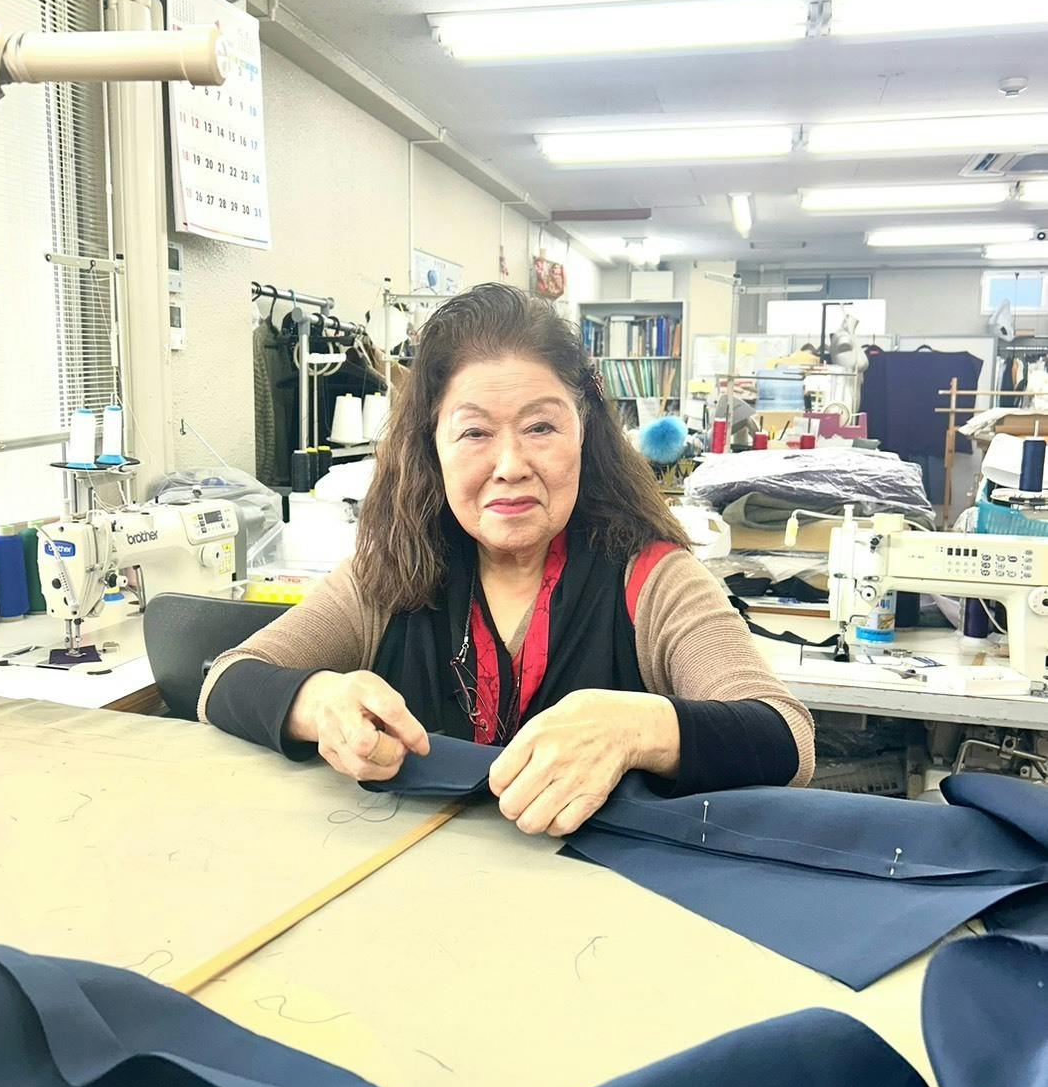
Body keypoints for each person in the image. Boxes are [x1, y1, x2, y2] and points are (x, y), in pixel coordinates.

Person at [201, 284, 814, 836]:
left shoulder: (651, 579)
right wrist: (318, 704)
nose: (511, 465)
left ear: (584, 431)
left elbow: (786, 736)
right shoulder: (388, 574)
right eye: (474, 433)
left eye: (541, 427)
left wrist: (639, 729)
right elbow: (225, 680)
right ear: (432, 447)